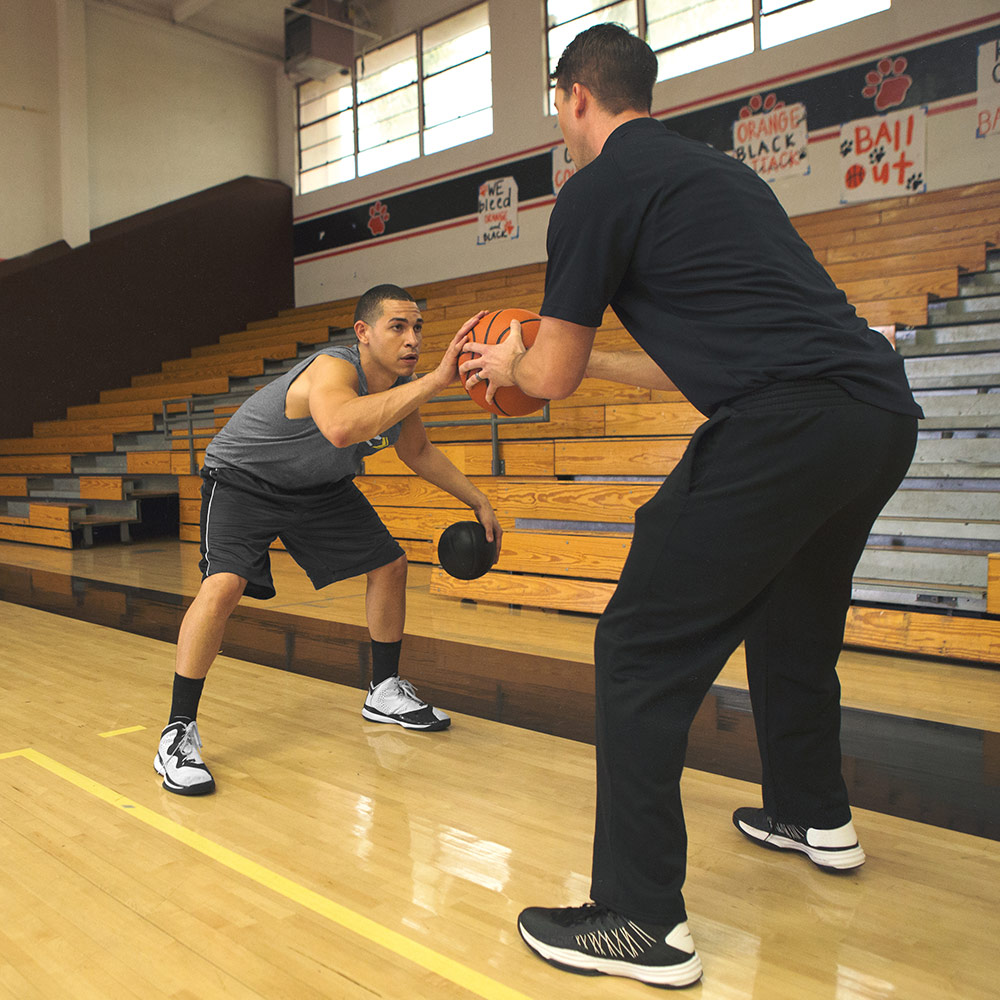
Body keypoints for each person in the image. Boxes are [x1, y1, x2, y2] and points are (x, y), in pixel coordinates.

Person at [461, 24, 921, 990]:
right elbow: (652, 357)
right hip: (875, 412)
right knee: (795, 620)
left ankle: (639, 919)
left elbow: (547, 374)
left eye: (556, 105)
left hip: (788, 421)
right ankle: (812, 812)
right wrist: (546, 355)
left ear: (574, 96)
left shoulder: (593, 193)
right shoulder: (715, 178)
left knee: (637, 646)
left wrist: (513, 362)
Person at [155, 284, 502, 796]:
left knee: (390, 564)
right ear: (363, 333)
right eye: (398, 327)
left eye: (418, 328)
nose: (412, 339)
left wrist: (477, 499)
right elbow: (340, 428)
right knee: (224, 585)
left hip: (319, 488)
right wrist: (435, 380)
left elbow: (419, 451)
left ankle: (383, 690)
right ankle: (177, 732)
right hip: (244, 479)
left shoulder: (400, 391)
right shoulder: (333, 369)